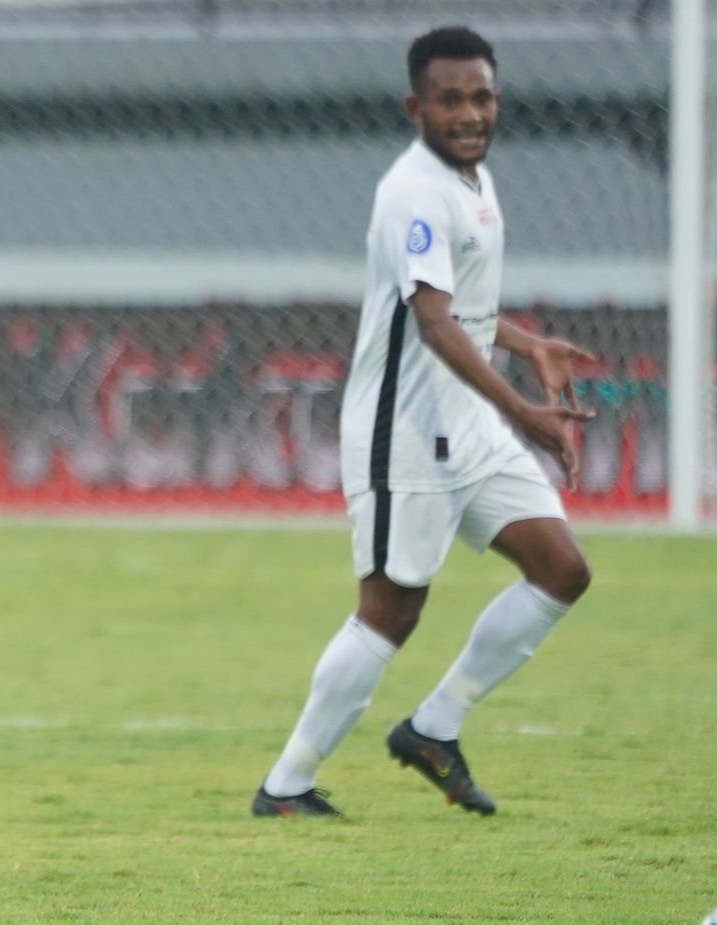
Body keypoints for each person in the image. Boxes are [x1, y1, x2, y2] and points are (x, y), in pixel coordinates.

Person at [251, 27, 597, 818]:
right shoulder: (414, 190)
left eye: (482, 96)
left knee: (562, 569)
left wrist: (529, 343)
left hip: (469, 424)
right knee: (390, 612)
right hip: (402, 432)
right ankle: (286, 786)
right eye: (451, 99)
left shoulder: (475, 180)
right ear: (417, 106)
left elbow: (464, 308)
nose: (469, 112)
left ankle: (433, 728)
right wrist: (525, 412)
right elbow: (435, 322)